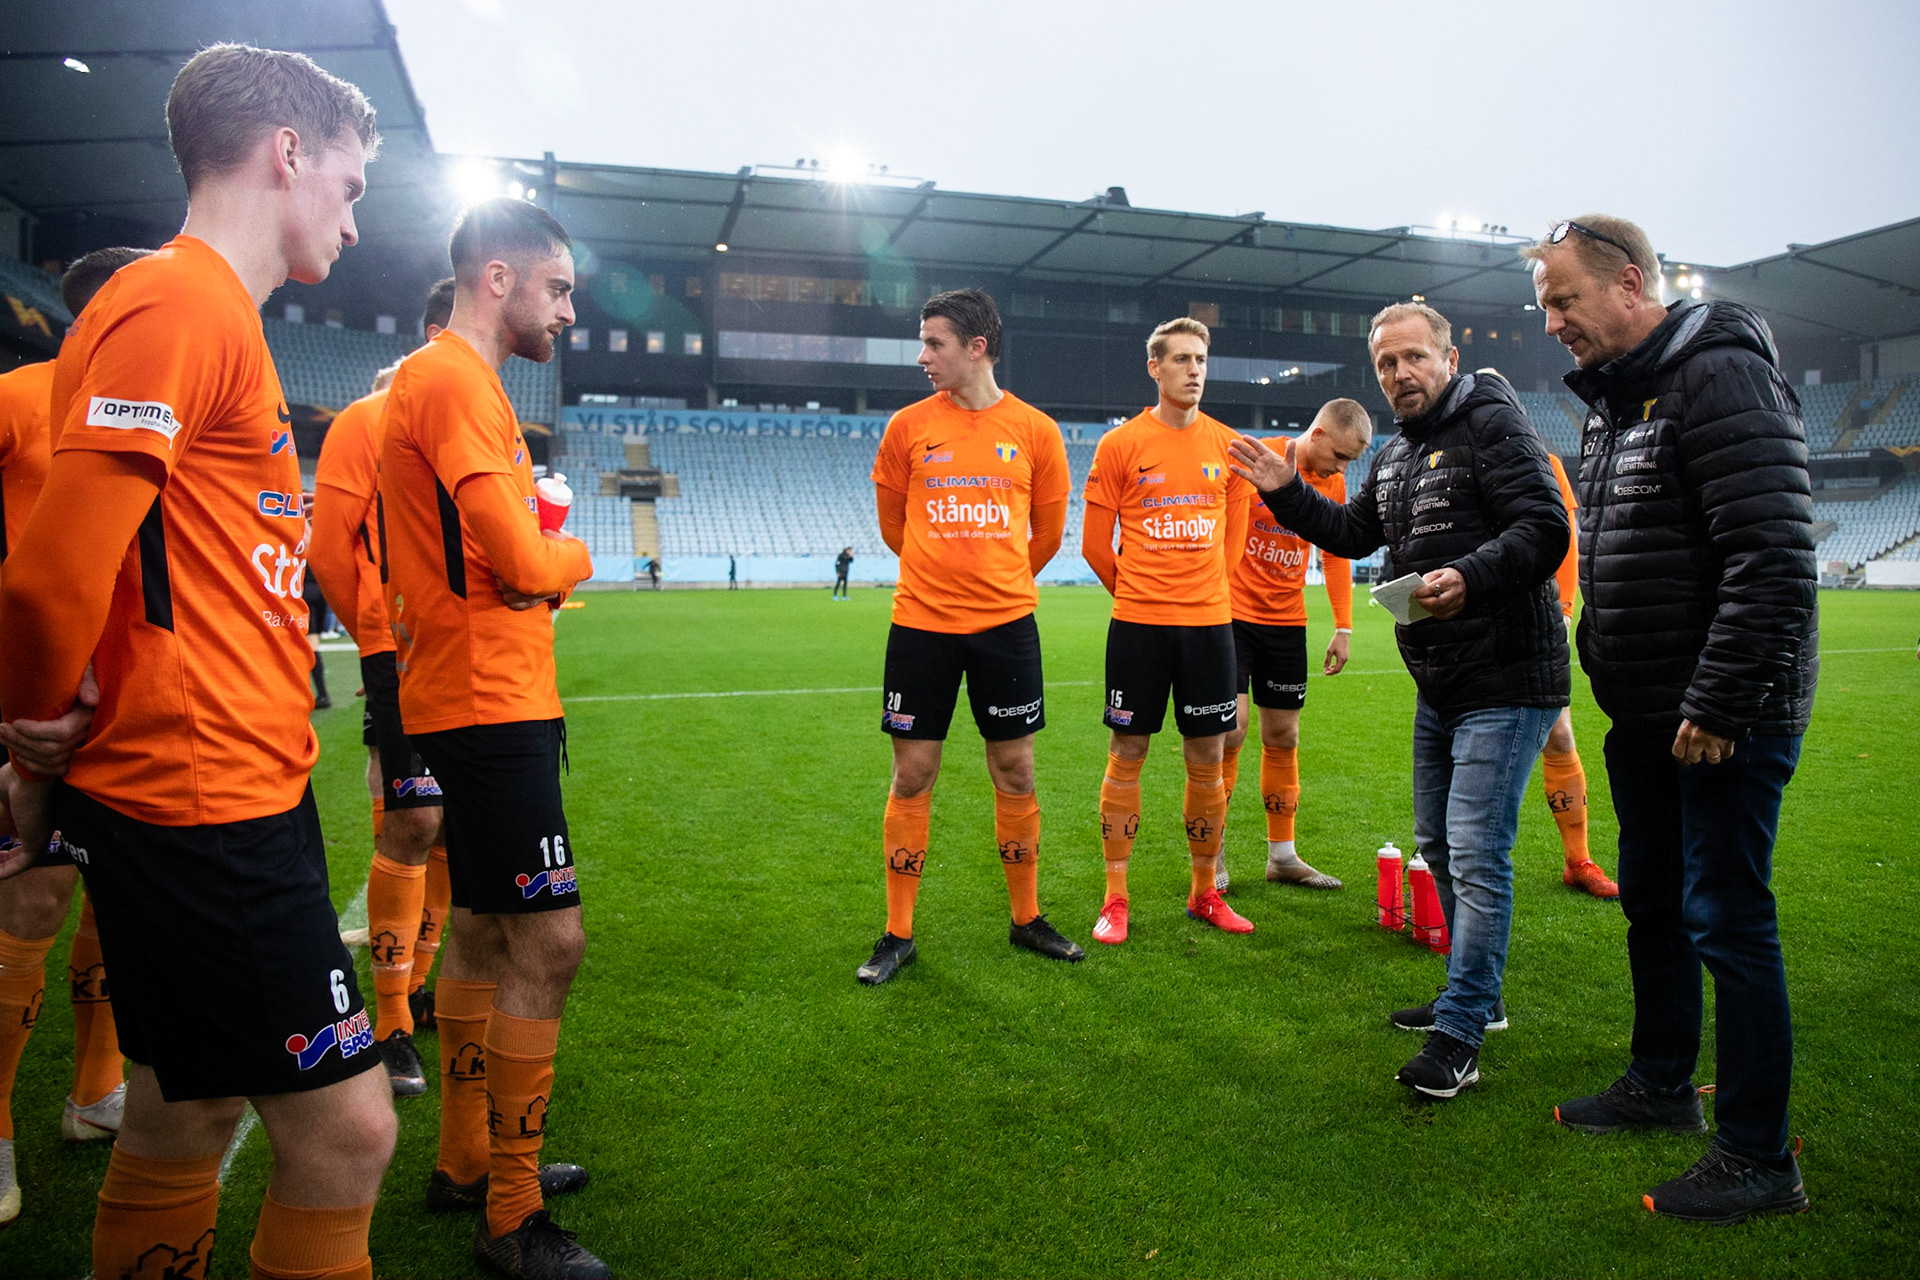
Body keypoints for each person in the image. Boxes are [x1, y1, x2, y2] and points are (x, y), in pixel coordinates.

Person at [0, 44, 397, 1280]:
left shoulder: (212, 311)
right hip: (198, 793)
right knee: (349, 1129)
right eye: (350, 177)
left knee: (189, 1103)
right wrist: (26, 736)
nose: (354, 206)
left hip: (240, 784)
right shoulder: (177, 298)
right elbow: (49, 574)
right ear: (288, 151)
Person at [1526, 214, 1817, 1222]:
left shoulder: (1719, 375)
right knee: (1653, 897)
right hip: (1647, 713)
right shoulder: (1617, 401)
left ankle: (1757, 1153)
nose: (1553, 321)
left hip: (1722, 715)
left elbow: (1774, 555)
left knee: (1729, 918)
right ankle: (1660, 1083)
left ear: (1633, 284)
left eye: (1565, 299)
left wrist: (1719, 700)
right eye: (1546, 305)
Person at [1228, 301, 1569, 1098]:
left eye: (1414, 358)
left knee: (1478, 853)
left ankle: (1461, 1033)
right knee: (1441, 846)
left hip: (1508, 674)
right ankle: (1475, 998)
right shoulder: (1395, 454)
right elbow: (1352, 534)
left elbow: (1545, 526)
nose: (1399, 374)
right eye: (1386, 364)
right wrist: (1284, 489)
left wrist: (1471, 575)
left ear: (1447, 358)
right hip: (1441, 680)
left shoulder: (1493, 423)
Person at [378, 196, 605, 1278]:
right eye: (558, 286)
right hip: (486, 698)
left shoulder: (454, 384)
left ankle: (467, 1158)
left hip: (477, 688)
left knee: (475, 926)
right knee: (550, 943)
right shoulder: (455, 381)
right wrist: (578, 563)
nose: (570, 309)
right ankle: (510, 1215)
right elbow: (522, 558)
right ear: (501, 278)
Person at [858, 287, 1083, 984]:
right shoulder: (906, 428)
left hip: (1007, 628)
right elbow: (894, 527)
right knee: (913, 773)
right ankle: (897, 933)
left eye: (935, 344)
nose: (923, 357)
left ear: (976, 347)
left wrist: (994, 580)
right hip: (921, 627)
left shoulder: (1038, 432)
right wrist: (943, 574)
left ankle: (1026, 919)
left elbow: (1044, 537)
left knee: (1015, 770)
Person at [0, 247, 146, 1228]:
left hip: (128, 702)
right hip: (31, 700)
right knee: (30, 898)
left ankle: (95, 1094)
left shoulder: (152, 420)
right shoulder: (20, 398)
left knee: (111, 894)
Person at [309, 277, 459, 1098]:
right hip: (398, 654)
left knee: (448, 833)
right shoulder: (369, 424)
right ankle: (392, 1020)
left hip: (470, 659)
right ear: (436, 329)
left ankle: (421, 988)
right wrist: (380, 639)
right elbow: (334, 550)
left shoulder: (477, 423)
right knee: (412, 822)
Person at [1083, 317, 1255, 945]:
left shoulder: (1229, 446)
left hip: (1209, 627)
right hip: (1138, 628)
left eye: (1201, 358)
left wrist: (1200, 593)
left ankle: (1205, 891)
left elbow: (1234, 546)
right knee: (1127, 754)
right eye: (1180, 358)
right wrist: (1140, 594)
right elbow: (1094, 546)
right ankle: (1115, 897)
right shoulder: (1121, 445)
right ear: (1154, 368)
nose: (1194, 369)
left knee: (1208, 757)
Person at [1219, 398, 1371, 893]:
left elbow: (1334, 555)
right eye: (1341, 456)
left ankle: (1282, 857)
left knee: (1283, 736)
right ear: (1320, 434)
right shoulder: (1254, 459)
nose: (1342, 468)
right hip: (1234, 615)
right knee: (1232, 732)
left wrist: (1343, 626)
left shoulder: (1332, 483)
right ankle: (1211, 856)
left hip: (1286, 621)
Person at [1539, 449, 1618, 899]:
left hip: (1536, 620)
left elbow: (1567, 537)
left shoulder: (1543, 460)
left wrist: (1565, 608)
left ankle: (1578, 860)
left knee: (1560, 736)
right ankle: (1450, 867)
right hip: (1469, 627)